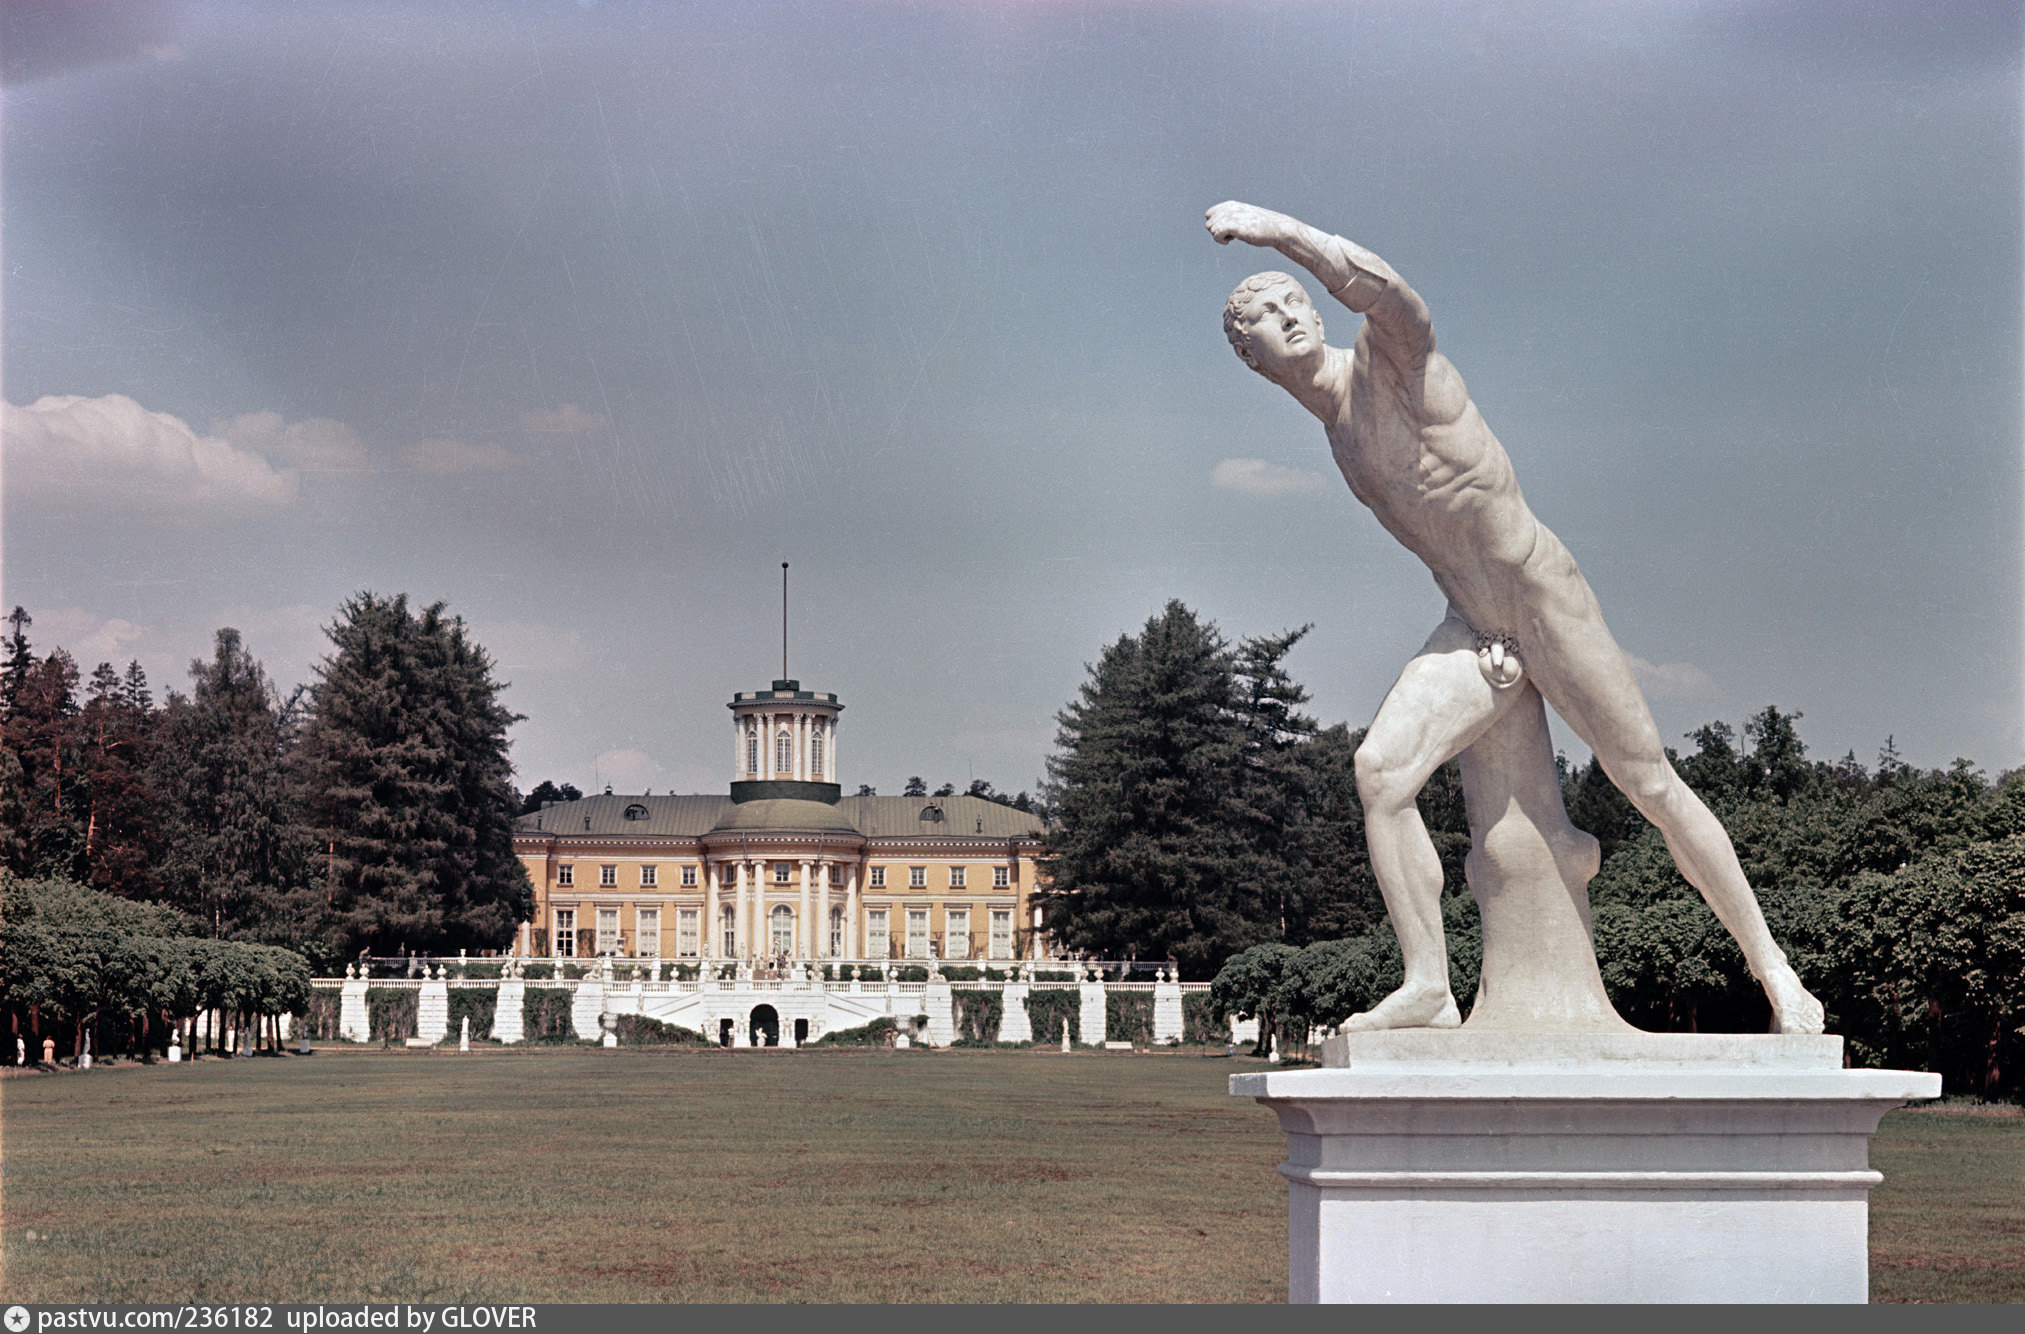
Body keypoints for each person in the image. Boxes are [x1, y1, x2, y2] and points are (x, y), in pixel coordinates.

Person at [1207, 200, 1824, 1034]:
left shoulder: (1395, 364)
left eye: (1293, 304)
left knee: (1645, 782)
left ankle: (1775, 973)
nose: (1290, 319)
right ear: (1253, 359)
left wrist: (1272, 228)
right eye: (1269, 322)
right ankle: (1428, 984)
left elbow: (1383, 289)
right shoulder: (1339, 436)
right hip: (1474, 628)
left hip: (1541, 601)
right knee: (1380, 775)